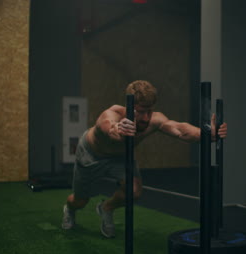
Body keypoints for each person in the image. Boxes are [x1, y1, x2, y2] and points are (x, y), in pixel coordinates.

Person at [61, 80, 227, 238]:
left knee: (134, 192)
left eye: (149, 111)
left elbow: (180, 129)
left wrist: (206, 134)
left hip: (121, 157)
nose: (146, 118)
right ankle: (69, 209)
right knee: (80, 201)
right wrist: (120, 128)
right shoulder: (111, 114)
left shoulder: (154, 119)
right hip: (91, 155)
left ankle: (106, 208)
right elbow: (109, 127)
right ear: (129, 106)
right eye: (141, 111)